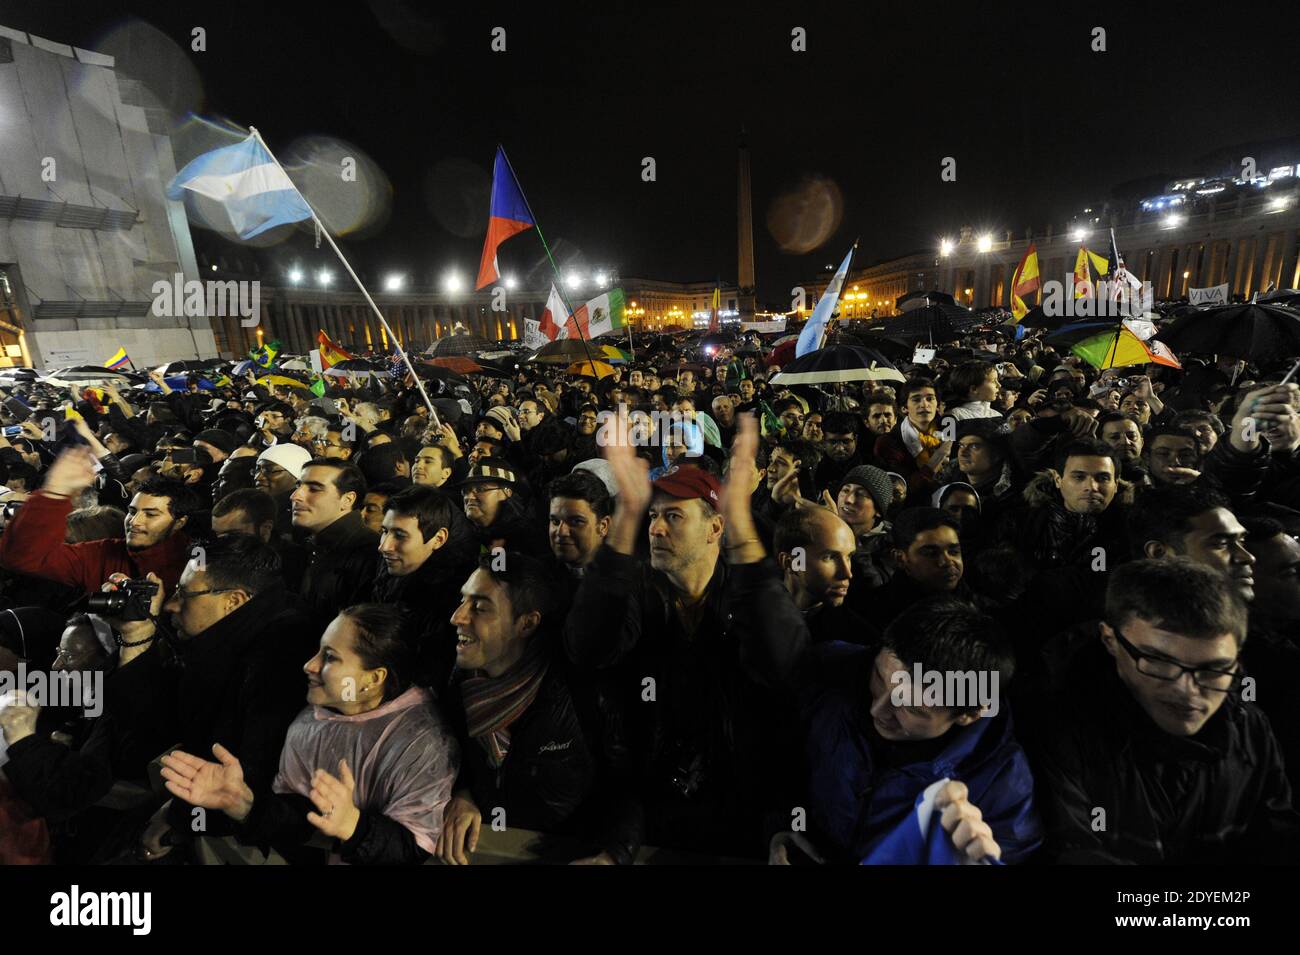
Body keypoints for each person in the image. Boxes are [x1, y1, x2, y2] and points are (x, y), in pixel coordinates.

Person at [564, 413, 810, 859]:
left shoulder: (747, 594)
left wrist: (742, 525)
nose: (656, 528)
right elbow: (588, 649)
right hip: (645, 807)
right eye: (654, 516)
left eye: (673, 516)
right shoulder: (636, 590)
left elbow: (784, 663)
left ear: (715, 528)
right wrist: (625, 521)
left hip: (741, 815)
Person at [1034, 558, 1300, 863]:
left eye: (1214, 669)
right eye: (1159, 661)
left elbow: (1277, 840)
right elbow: (1072, 852)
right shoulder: (1057, 730)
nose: (1186, 690)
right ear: (1110, 640)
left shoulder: (1250, 728)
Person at [160, 604, 458, 865]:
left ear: (374, 678)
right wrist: (243, 804)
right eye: (318, 651)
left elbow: (415, 844)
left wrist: (354, 826)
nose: (309, 665)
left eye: (330, 657)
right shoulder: (309, 722)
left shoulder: (425, 742)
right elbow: (298, 817)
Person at [788, 598, 1040, 865]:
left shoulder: (1002, 785)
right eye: (879, 678)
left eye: (910, 707)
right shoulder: (829, 674)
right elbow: (777, 759)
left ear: (969, 714)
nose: (878, 710)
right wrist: (782, 828)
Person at [135, 534, 310, 862]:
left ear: (233, 601)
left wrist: (181, 821)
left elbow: (249, 780)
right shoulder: (242, 632)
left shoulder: (278, 662)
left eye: (185, 595)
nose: (171, 604)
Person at [437, 553, 605, 865]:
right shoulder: (457, 684)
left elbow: (622, 785)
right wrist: (462, 791)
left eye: (480, 607)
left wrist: (609, 853)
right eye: (463, 601)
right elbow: (453, 753)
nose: (457, 617)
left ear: (526, 623)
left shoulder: (574, 695)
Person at [0, 447, 198, 596]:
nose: (134, 521)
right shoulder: (102, 553)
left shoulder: (199, 561)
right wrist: (54, 495)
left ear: (180, 522)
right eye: (132, 511)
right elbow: (20, 558)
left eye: (151, 514)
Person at [370, 484, 479, 690]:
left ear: (438, 539)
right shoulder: (390, 569)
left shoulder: (458, 602)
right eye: (384, 531)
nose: (384, 546)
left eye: (400, 535)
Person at [291, 459, 379, 634]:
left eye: (314, 489)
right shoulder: (307, 546)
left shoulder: (371, 554)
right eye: (298, 485)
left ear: (347, 499)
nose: (295, 496)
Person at [774, 507, 875, 647]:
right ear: (792, 562)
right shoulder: (748, 613)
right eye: (829, 557)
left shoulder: (859, 640)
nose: (847, 573)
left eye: (849, 556)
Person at [873, 378, 952, 497]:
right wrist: (938, 456)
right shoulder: (888, 442)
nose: (924, 404)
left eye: (930, 399)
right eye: (916, 400)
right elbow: (903, 489)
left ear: (938, 405)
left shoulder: (949, 428)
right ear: (904, 408)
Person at [546, 470, 612, 577]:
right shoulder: (536, 574)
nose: (561, 532)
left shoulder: (631, 581)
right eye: (555, 521)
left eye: (576, 522)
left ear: (603, 526)